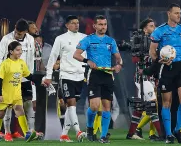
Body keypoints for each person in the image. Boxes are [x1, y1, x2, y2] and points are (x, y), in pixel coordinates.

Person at [149, 3, 181, 144]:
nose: (179, 15)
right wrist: (159, 60)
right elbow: (152, 52)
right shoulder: (159, 31)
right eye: (176, 13)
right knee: (166, 103)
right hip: (166, 69)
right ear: (169, 13)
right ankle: (168, 135)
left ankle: (178, 130)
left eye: (180, 13)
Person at [73, 15, 123, 143]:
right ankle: (90, 128)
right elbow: (76, 54)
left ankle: (103, 136)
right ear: (94, 26)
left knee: (107, 107)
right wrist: (87, 60)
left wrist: (119, 65)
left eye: (105, 24)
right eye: (100, 24)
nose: (103, 27)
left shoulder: (110, 41)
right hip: (94, 74)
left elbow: (118, 57)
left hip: (107, 74)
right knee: (94, 106)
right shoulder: (88, 39)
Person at [43, 15, 87, 142]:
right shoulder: (60, 39)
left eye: (77, 23)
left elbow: (87, 56)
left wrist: (87, 73)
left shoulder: (84, 38)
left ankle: (64, 134)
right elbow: (53, 57)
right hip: (66, 75)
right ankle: (78, 131)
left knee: (70, 106)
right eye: (73, 23)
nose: (76, 25)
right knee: (71, 103)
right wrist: (49, 76)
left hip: (80, 75)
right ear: (67, 25)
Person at [0, 41, 41, 142]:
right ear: (11, 51)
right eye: (18, 50)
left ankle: (27, 134)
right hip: (5, 94)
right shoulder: (5, 64)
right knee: (1, 113)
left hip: (16, 93)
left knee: (20, 110)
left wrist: (40, 80)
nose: (20, 52)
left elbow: (28, 75)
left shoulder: (21, 62)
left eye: (21, 50)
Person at [0, 19, 36, 141]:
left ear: (26, 31)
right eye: (16, 32)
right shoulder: (6, 39)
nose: (17, 35)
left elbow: (31, 58)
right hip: (9, 78)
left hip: (24, 77)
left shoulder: (30, 39)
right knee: (8, 106)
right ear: (14, 27)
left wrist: (31, 75)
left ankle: (30, 131)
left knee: (28, 104)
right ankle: (7, 132)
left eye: (20, 33)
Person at [127, 18, 163, 141]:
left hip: (151, 77)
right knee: (153, 105)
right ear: (145, 28)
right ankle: (162, 135)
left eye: (154, 25)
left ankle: (131, 134)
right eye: (151, 26)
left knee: (140, 108)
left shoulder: (156, 41)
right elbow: (135, 60)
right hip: (142, 77)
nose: (154, 28)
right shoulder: (140, 41)